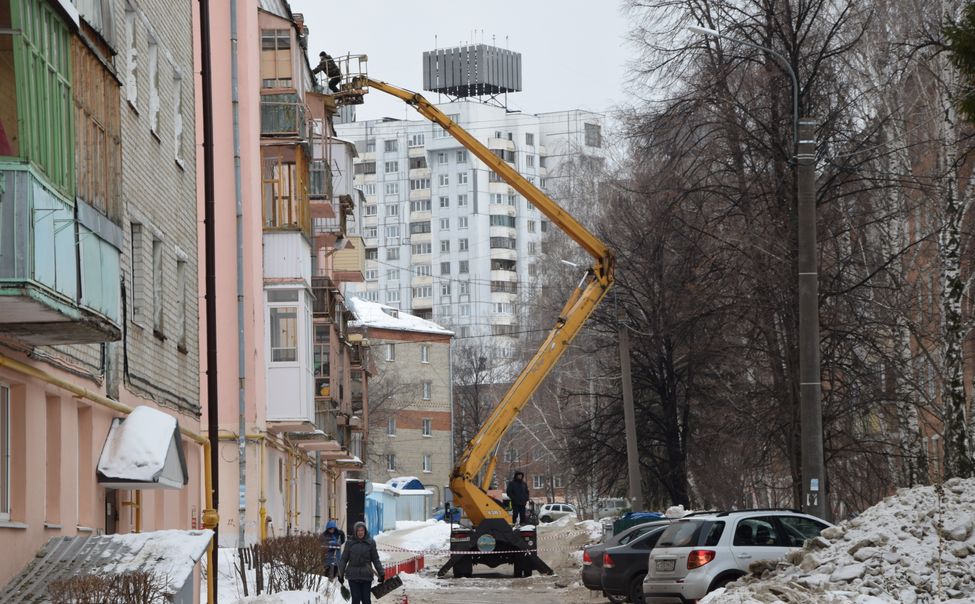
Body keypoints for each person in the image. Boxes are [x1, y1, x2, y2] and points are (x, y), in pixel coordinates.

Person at [339, 521, 384, 604]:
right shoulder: (349, 543)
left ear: (365, 531)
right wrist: (340, 574)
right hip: (353, 575)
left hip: (366, 575)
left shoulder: (371, 543)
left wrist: (381, 573)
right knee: (356, 599)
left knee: (366, 600)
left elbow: (375, 559)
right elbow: (344, 559)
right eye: (358, 530)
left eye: (362, 530)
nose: (360, 532)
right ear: (355, 531)